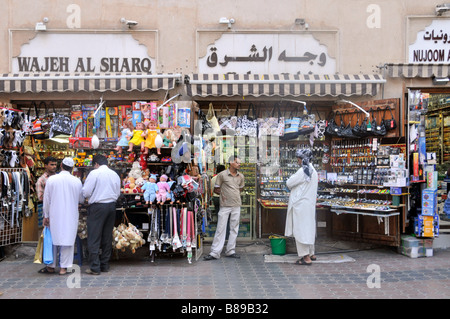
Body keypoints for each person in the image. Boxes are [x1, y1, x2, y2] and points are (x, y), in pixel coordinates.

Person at [40, 158, 83, 275]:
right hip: (70, 215)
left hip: (54, 214)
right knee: (68, 241)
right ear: (72, 168)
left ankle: (51, 266)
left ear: (61, 166)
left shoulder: (52, 180)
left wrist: (46, 215)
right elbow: (81, 199)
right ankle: (64, 268)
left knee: (53, 240)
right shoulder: (77, 181)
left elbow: (46, 200)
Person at [82, 154, 121, 275]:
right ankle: (105, 264)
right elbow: (118, 192)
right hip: (111, 206)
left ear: (96, 164)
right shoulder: (114, 174)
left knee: (94, 236)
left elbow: (86, 192)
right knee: (107, 236)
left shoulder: (95, 173)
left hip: (98, 207)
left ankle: (94, 267)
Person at [204, 156, 245, 260]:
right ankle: (215, 252)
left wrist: (233, 194)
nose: (239, 164)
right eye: (237, 162)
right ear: (231, 163)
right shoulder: (222, 175)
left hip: (236, 204)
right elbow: (216, 189)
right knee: (220, 228)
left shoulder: (241, 176)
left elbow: (241, 189)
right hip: (225, 205)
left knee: (234, 228)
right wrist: (224, 194)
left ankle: (230, 250)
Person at [285, 149, 319, 266]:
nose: (297, 160)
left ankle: (305, 257)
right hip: (308, 205)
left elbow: (289, 183)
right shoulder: (313, 170)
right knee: (308, 228)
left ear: (303, 158)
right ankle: (311, 253)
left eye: (299, 158)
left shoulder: (303, 171)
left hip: (301, 206)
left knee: (301, 231)